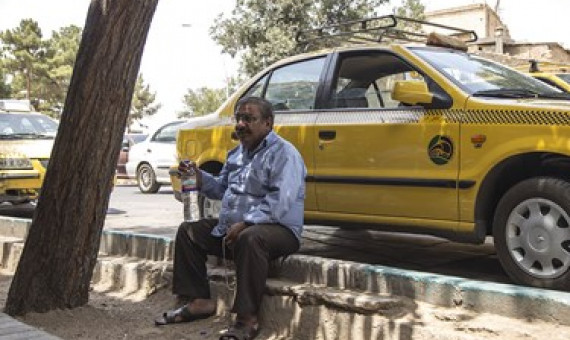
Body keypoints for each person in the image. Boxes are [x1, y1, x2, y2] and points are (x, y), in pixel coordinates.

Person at [155, 96, 307, 340]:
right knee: (189, 231)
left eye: (249, 118)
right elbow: (221, 189)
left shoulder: (284, 154)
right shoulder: (237, 154)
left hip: (278, 229)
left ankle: (247, 319)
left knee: (251, 238)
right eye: (239, 118)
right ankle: (199, 301)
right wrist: (199, 177)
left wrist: (248, 222)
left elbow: (281, 199)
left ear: (268, 123)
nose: (241, 124)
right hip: (236, 228)